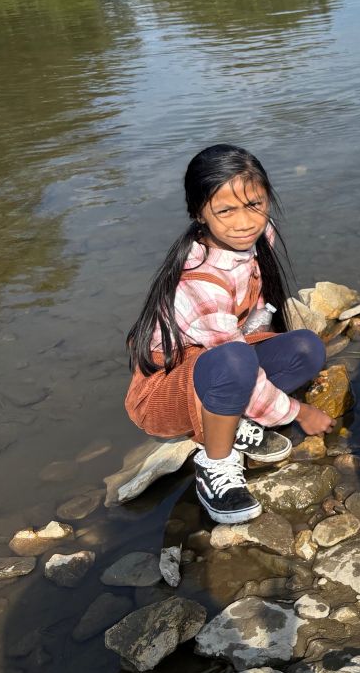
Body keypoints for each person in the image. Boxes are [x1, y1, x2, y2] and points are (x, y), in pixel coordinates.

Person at [124, 145, 332, 525]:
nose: (244, 222)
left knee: (306, 348)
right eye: (225, 211)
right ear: (198, 214)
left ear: (267, 196)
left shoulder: (259, 236)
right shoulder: (199, 279)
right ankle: (215, 465)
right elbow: (235, 356)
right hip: (164, 392)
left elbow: (257, 317)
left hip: (214, 368)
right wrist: (298, 411)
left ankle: (233, 421)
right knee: (234, 360)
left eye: (254, 204)